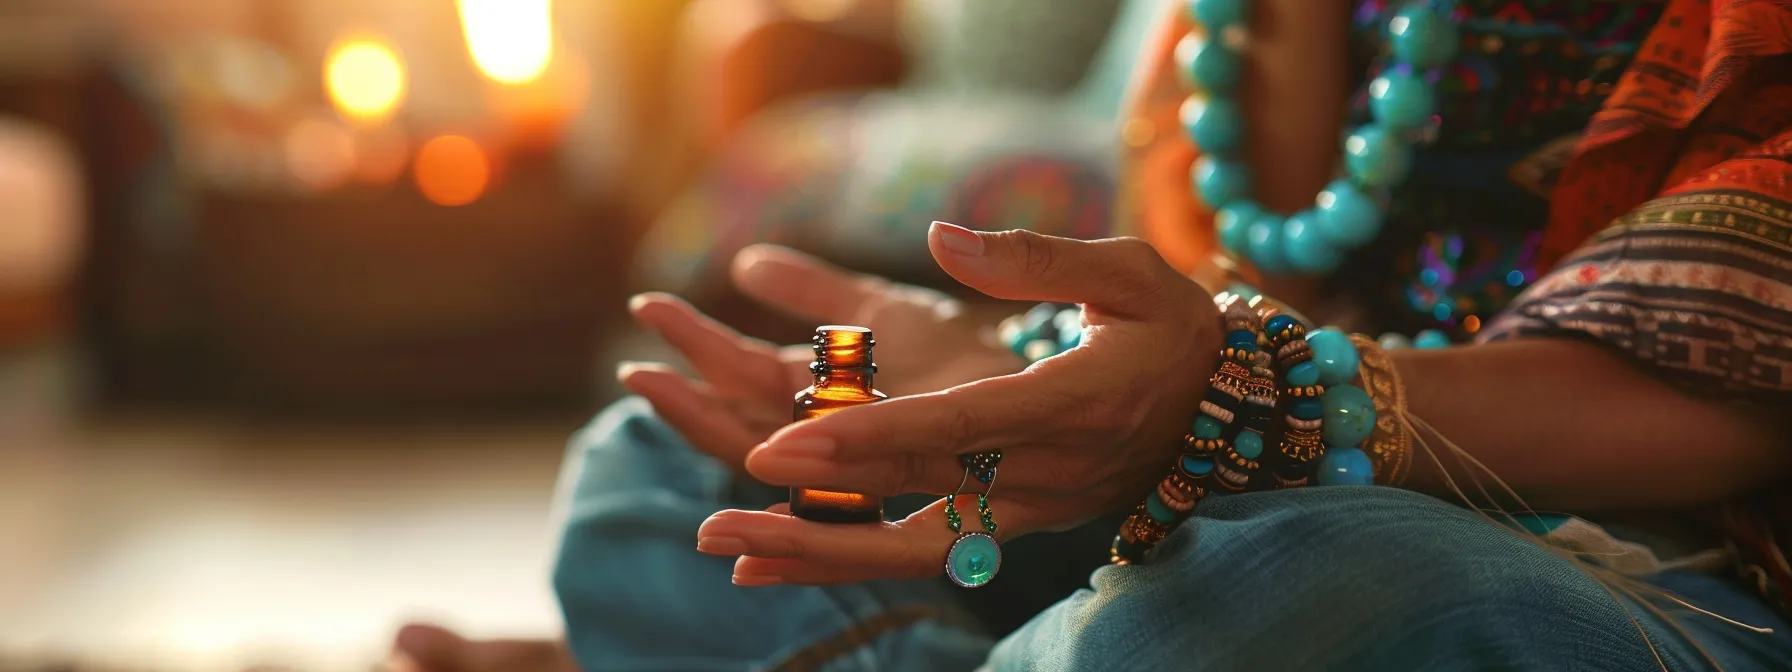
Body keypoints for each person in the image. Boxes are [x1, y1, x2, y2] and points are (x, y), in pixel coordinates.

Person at [392, 0, 1792, 669]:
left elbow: (1724, 392)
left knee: (1305, 585)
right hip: (1263, 467)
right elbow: (1244, 273)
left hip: (1684, 564)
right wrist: (1027, 378)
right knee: (671, 472)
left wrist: (1232, 400)